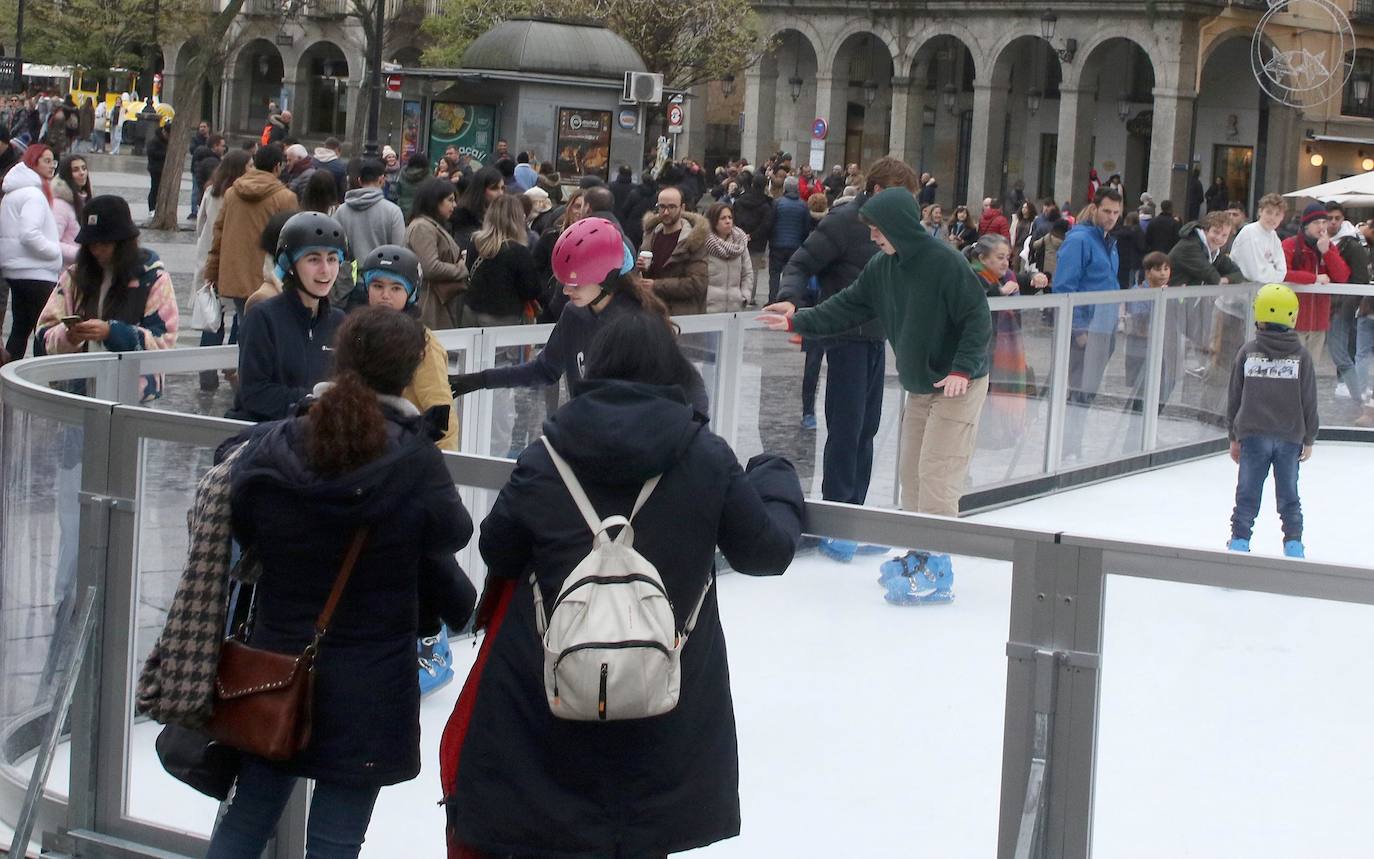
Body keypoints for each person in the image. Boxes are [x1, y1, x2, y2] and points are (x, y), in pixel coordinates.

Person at [441, 310, 802, 859]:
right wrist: (773, 478)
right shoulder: (706, 457)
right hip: (662, 705)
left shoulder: (547, 456)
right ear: (673, 372)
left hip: (550, 699)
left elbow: (499, 549)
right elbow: (766, 551)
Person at [205, 307, 475, 859]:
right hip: (370, 679)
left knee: (246, 819)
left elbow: (241, 511)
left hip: (275, 665)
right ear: (408, 374)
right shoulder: (414, 460)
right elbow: (454, 529)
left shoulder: (278, 440)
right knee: (335, 841)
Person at [762, 186, 992, 529]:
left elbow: (977, 318)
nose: (871, 236)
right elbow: (844, 306)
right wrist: (796, 319)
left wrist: (962, 368)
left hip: (959, 382)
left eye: (877, 228)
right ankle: (919, 550)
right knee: (911, 473)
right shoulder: (881, 267)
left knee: (937, 472)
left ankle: (938, 560)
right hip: (922, 384)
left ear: (898, 225)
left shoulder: (946, 262)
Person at [775, 157, 914, 552]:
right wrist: (789, 300)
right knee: (846, 428)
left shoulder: (895, 229)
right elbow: (799, 263)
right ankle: (837, 519)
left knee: (867, 428)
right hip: (842, 337)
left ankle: (857, 515)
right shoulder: (841, 223)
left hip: (875, 337)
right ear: (877, 191)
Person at [449, 215, 711, 415]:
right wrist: (480, 379)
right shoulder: (575, 314)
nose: (566, 290)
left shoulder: (637, 325)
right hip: (591, 442)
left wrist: (691, 435)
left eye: (575, 283)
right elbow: (545, 369)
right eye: (564, 282)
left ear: (606, 278)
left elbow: (690, 385)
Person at [33, 195, 178, 401]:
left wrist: (112, 332)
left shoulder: (154, 279)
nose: (96, 250)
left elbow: (165, 341)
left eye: (104, 244)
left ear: (123, 243)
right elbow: (43, 333)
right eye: (91, 244)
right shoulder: (74, 277)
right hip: (77, 395)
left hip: (132, 397)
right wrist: (69, 337)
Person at [1225, 284, 1317, 559]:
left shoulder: (1248, 352)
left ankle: (1240, 540)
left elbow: (1234, 396)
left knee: (1247, 493)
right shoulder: (1301, 356)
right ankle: (1294, 543)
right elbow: (1309, 399)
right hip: (1290, 437)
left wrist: (1233, 435)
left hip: (1253, 435)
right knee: (1289, 494)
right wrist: (1309, 438)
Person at [228, 211, 348, 422]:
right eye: (313, 259)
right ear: (288, 264)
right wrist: (311, 401)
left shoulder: (339, 321)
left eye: (332, 259)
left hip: (319, 437)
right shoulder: (263, 317)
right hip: (267, 438)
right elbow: (254, 393)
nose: (326, 270)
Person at [203, 144, 299, 386]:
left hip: (234, 274)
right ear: (278, 166)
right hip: (268, 277)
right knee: (260, 332)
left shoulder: (233, 193)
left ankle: (225, 375)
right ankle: (250, 380)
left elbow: (219, 233)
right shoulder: (285, 197)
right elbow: (293, 239)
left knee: (246, 326)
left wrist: (212, 272)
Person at [1052, 188, 1124, 461]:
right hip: (1087, 330)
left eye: (1116, 213)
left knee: (1088, 390)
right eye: (1107, 211)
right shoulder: (1080, 240)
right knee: (1078, 391)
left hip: (1103, 327)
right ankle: (1066, 447)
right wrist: (1078, 329)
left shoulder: (1108, 241)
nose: (1112, 217)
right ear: (1094, 208)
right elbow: (1064, 287)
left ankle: (1072, 445)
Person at [0, 144, 62, 361]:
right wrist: (54, 251)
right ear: (33, 162)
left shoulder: (14, 191)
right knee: (42, 329)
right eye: (46, 161)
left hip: (17, 270)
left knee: (21, 327)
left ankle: (8, 372)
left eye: (53, 161)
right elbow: (29, 233)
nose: (51, 166)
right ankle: (39, 377)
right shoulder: (33, 195)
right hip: (35, 272)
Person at [1283, 203, 1350, 362]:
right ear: (1306, 225)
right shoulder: (1290, 245)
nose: (1321, 226)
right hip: (1294, 321)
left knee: (1310, 370)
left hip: (1319, 321)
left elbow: (1342, 276)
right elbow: (1284, 273)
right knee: (1292, 367)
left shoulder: (1328, 246)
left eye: (1323, 222)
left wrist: (1327, 252)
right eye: (1316, 223)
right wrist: (1314, 278)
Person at [459, 194, 539, 328]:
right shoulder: (519, 252)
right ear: (518, 219)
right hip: (504, 317)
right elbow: (531, 290)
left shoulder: (475, 243)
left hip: (471, 311)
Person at [1324, 201, 1369, 415]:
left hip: (1341, 307)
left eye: (1337, 218)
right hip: (1324, 304)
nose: (1333, 222)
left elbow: (1360, 279)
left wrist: (1346, 307)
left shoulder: (1351, 244)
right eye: (1329, 218)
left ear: (1343, 219)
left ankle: (1359, 397)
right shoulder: (1322, 239)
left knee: (1341, 353)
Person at [406, 177, 468, 330]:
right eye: (450, 200)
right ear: (434, 201)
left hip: (438, 300)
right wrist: (460, 268)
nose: (454, 205)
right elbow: (430, 267)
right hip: (430, 303)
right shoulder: (423, 227)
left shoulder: (429, 225)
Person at [638, 185, 709, 314]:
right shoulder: (650, 235)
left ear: (682, 208)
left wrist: (656, 285)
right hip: (652, 311)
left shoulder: (693, 240)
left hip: (681, 314)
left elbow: (698, 284)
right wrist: (642, 268)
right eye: (662, 207)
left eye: (671, 207)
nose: (665, 212)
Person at [336, 158, 406, 266]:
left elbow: (336, 245)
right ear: (382, 180)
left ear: (359, 180)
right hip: (381, 277)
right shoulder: (393, 211)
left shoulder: (341, 211)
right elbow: (399, 249)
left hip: (349, 277)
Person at [766, 176, 811, 304]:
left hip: (777, 245)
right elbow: (806, 227)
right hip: (795, 246)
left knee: (774, 274)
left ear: (785, 188)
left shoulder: (777, 203)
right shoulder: (803, 205)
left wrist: (771, 239)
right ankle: (786, 299)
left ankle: (772, 299)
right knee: (790, 274)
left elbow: (771, 223)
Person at [704, 202, 754, 313]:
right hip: (710, 310)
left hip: (735, 310)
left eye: (730, 217)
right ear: (713, 221)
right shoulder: (704, 243)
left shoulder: (740, 244)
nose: (728, 221)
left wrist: (745, 295)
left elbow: (747, 273)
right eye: (723, 218)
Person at [53, 153, 91, 267]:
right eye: (75, 170)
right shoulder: (59, 205)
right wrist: (81, 254)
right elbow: (53, 242)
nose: (82, 173)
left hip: (81, 268)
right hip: (65, 269)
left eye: (84, 168)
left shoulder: (85, 201)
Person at [190, 133, 226, 221]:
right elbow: (214, 182)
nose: (224, 149)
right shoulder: (212, 162)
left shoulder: (210, 158)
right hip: (209, 199)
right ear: (215, 146)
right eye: (222, 146)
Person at [1111, 211, 1147, 288]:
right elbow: (1141, 246)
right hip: (1135, 260)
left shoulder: (1119, 232)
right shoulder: (1138, 231)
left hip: (1121, 259)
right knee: (1132, 282)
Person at [145, 120, 169, 216]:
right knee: (155, 188)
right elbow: (151, 153)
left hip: (164, 169)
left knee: (162, 189)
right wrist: (165, 154)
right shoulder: (155, 140)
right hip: (155, 169)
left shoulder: (167, 141)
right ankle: (152, 208)